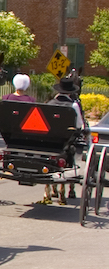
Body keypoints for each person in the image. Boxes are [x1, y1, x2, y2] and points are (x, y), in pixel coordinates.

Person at [41, 74, 86, 204]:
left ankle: (48, 190)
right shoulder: (74, 105)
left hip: (49, 140)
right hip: (65, 141)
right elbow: (79, 125)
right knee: (71, 148)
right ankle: (62, 189)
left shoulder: (49, 103)